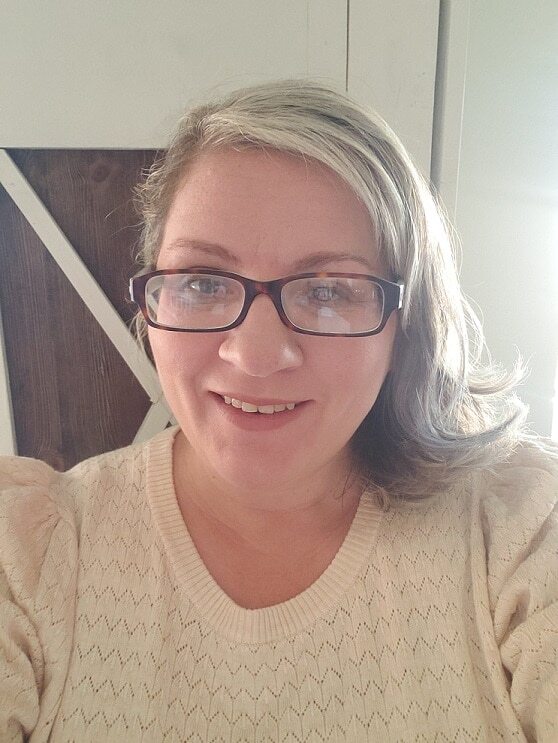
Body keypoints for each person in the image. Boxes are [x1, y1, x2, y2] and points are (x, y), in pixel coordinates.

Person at [1, 80, 557, 742]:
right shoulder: (27, 553)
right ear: (151, 303)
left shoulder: (519, 530)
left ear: (405, 328)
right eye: (203, 281)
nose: (256, 355)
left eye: (328, 290)